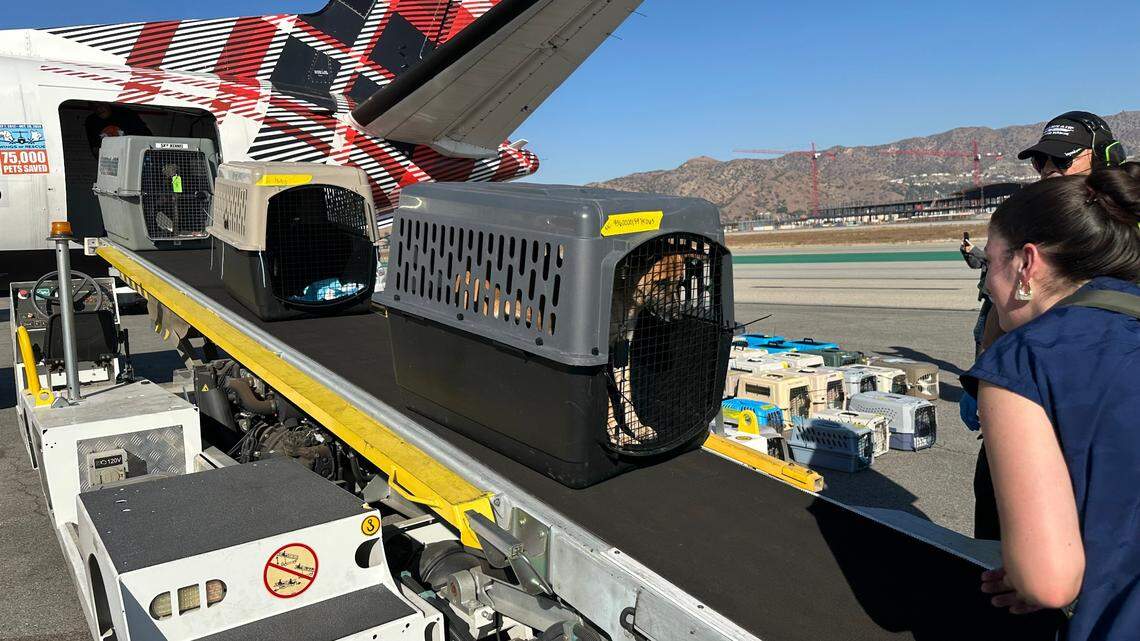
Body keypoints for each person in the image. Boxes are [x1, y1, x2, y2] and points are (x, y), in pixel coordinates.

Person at [959, 163, 1140, 640]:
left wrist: (1031, 573)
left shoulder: (1025, 359)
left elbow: (1049, 583)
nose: (988, 281)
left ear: (1026, 264)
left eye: (990, 263)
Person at [966, 111, 1128, 540]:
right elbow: (998, 305)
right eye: (1041, 161)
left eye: (1062, 159)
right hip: (1032, 392)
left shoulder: (1124, 231)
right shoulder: (1031, 220)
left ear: (1105, 157)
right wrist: (987, 372)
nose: (1049, 170)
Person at [85, 102, 151, 156]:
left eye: (101, 104)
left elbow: (144, 137)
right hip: (110, 160)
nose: (98, 109)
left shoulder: (126, 114)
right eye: (94, 106)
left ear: (107, 102)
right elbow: (95, 148)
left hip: (132, 155)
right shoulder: (92, 121)